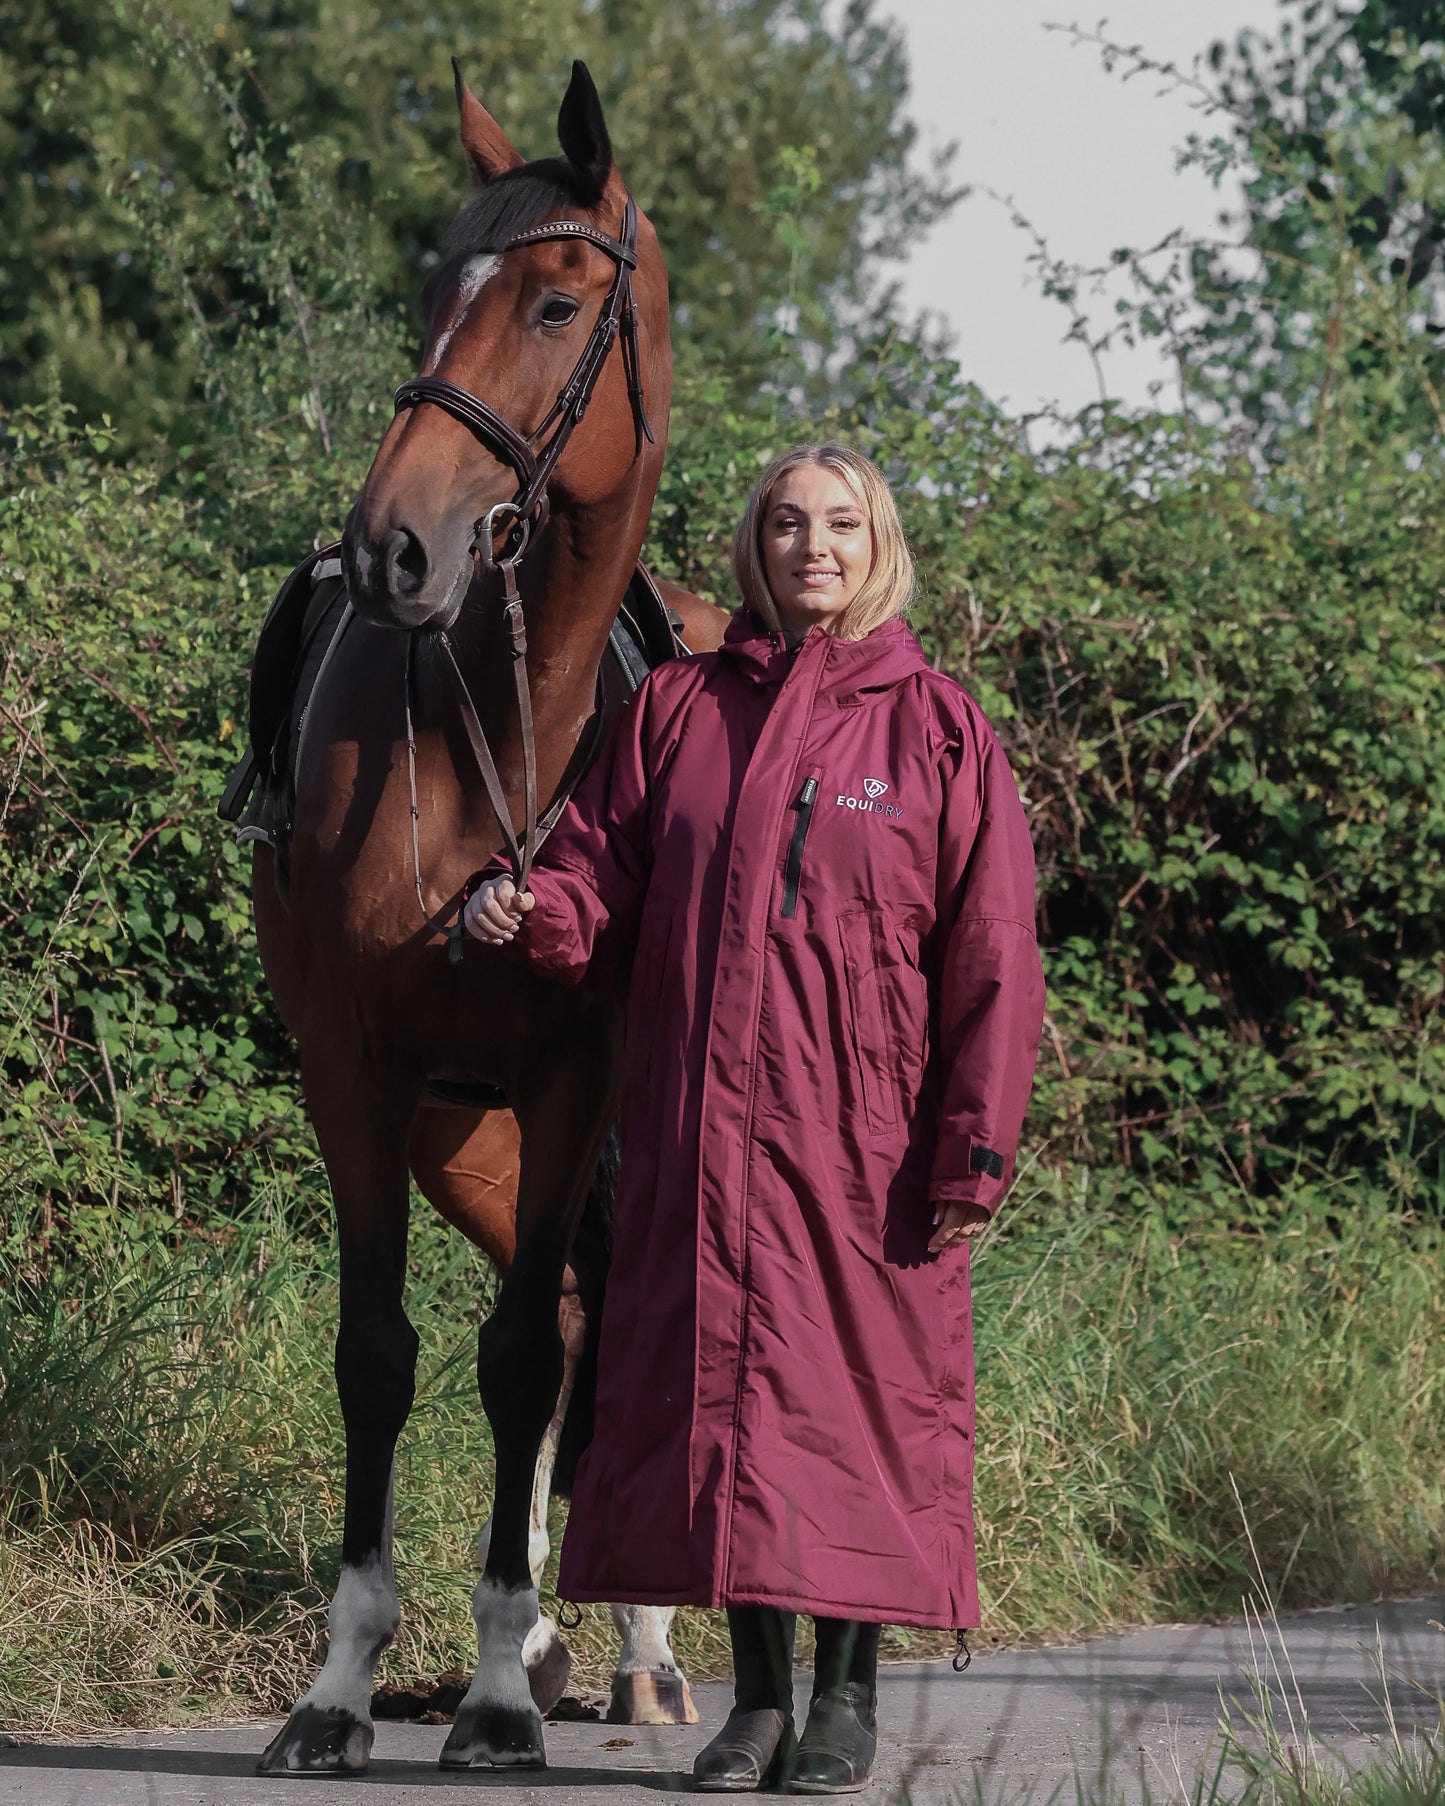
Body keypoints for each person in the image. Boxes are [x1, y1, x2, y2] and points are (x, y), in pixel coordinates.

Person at [464, 443, 1046, 1794]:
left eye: (839, 523)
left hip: (869, 1148)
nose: (811, 546)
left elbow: (993, 949)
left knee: (855, 1415)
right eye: (786, 523)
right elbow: (595, 867)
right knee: (721, 1407)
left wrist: (974, 1136)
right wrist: (535, 906)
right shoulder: (676, 709)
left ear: (877, 541)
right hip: (704, 1137)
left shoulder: (936, 725)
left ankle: (848, 1696)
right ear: (753, 545)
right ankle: (761, 1699)